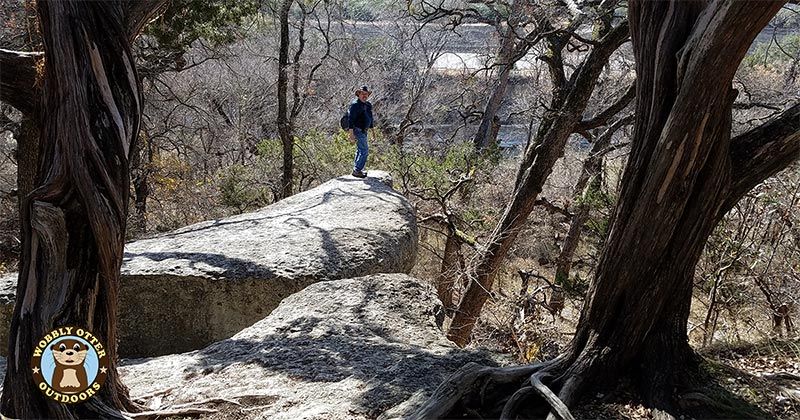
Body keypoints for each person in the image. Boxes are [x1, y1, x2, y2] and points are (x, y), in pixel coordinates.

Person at [348, 85, 374, 178]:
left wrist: (373, 132)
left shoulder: (368, 105)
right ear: (358, 94)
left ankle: (356, 168)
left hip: (364, 130)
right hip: (357, 130)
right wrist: (351, 134)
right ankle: (357, 170)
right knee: (364, 150)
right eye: (362, 94)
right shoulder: (355, 105)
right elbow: (350, 120)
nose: (364, 96)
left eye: (366, 94)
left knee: (360, 149)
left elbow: (371, 118)